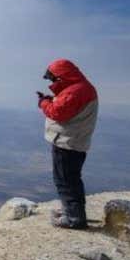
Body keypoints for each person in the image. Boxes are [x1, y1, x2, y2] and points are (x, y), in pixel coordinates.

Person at [36, 59, 98, 229]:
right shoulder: (80, 88)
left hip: (68, 143)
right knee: (71, 179)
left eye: (53, 78)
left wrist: (44, 103)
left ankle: (74, 218)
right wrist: (51, 99)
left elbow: (58, 112)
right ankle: (72, 211)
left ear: (61, 76)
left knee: (65, 180)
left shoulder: (76, 91)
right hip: (74, 141)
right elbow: (66, 107)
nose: (52, 82)